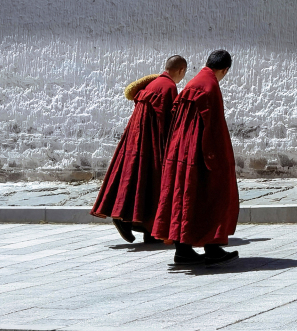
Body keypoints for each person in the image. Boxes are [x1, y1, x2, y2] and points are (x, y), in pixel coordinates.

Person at [152, 48, 241, 266]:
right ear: (225, 70)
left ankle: (183, 250)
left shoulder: (192, 83)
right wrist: (218, 160)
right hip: (199, 154)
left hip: (181, 151)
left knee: (185, 197)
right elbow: (213, 128)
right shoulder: (210, 87)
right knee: (213, 196)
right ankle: (211, 248)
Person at [89, 55, 186, 242]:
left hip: (136, 138)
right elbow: (167, 119)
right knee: (153, 182)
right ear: (181, 70)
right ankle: (138, 225)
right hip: (152, 141)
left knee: (137, 181)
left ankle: (144, 229)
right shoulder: (169, 87)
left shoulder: (153, 84)